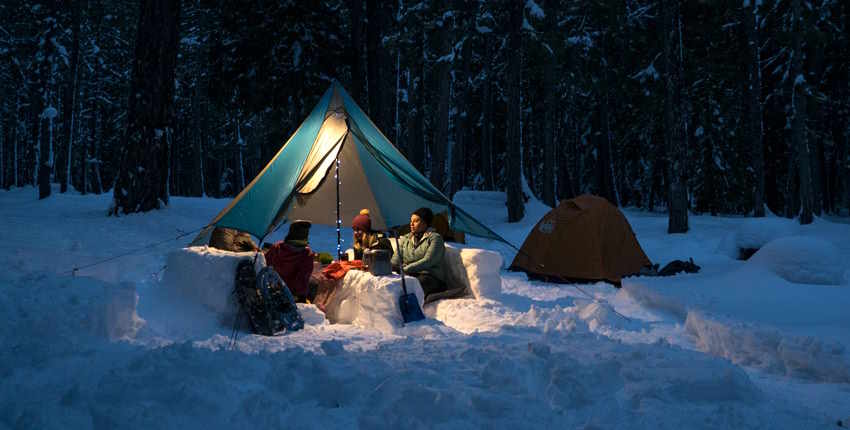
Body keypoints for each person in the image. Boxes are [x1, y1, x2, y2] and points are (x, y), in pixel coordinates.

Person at [390, 207, 448, 301]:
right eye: (411, 221)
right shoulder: (406, 238)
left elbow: (428, 261)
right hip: (410, 274)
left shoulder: (435, 238)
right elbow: (397, 258)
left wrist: (406, 269)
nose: (411, 224)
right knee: (395, 285)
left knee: (412, 286)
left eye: (416, 221)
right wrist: (390, 267)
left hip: (431, 277)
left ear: (425, 223)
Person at [264, 220, 315, 302]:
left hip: (270, 291)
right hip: (290, 297)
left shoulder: (276, 247)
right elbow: (302, 280)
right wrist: (300, 298)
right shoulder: (306, 254)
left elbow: (265, 265)